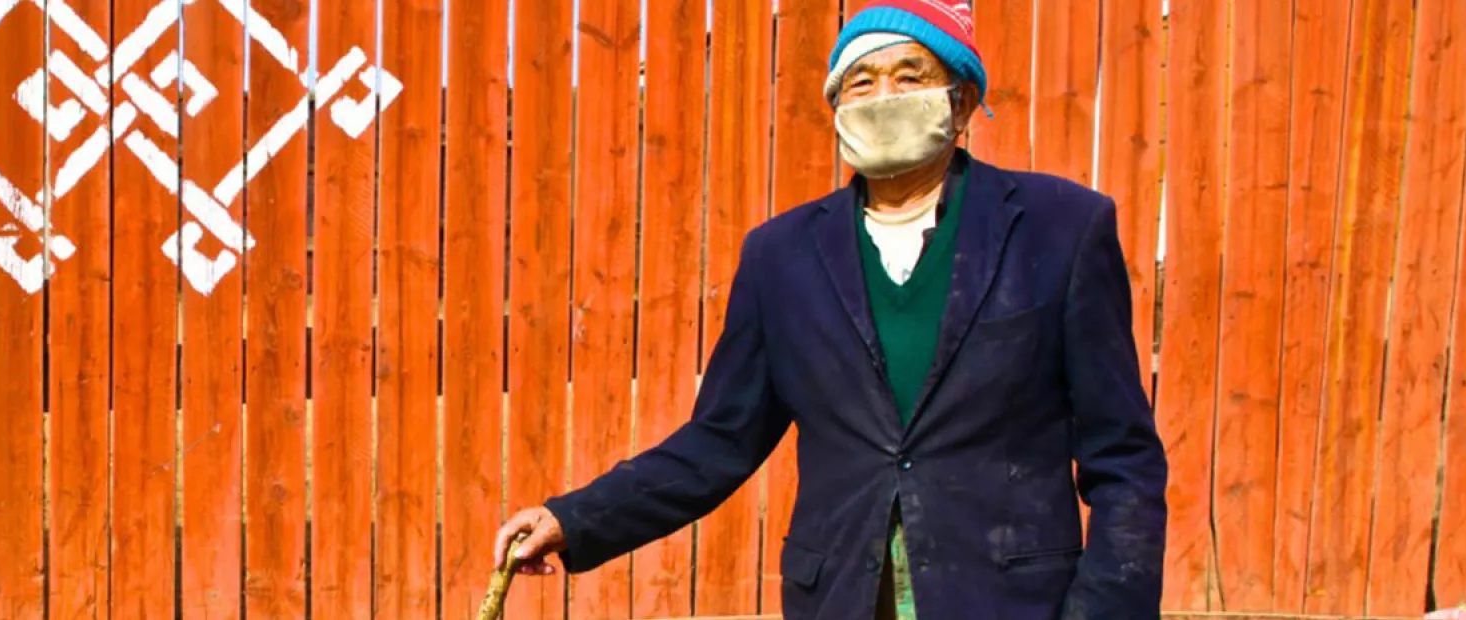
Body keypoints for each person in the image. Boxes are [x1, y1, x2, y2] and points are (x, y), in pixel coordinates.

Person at [491, 1, 1169, 618]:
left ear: (961, 103)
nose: (883, 97)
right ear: (837, 108)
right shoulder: (780, 257)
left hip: (1012, 599)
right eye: (861, 82)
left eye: (910, 77)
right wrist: (574, 519)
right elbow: (719, 440)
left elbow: (1123, 458)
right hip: (842, 598)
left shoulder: (1060, 229)